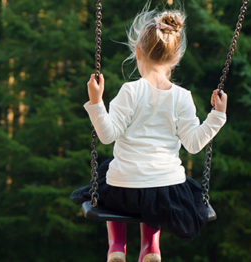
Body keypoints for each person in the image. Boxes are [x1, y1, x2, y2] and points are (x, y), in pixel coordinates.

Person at [82, 8, 228, 262]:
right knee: (156, 189)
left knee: (108, 174)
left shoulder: (130, 91)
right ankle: (151, 247)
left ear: (137, 52)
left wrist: (96, 101)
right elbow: (194, 144)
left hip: (123, 192)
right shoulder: (182, 97)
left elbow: (107, 135)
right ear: (176, 58)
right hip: (166, 194)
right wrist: (217, 115)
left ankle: (116, 247)